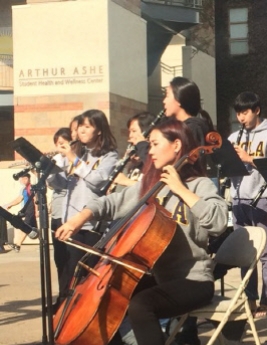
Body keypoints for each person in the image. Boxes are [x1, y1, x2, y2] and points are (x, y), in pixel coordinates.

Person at [55, 118, 228, 345]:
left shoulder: (200, 185)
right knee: (110, 298)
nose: (150, 151)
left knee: (142, 305)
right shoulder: (151, 184)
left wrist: (180, 189)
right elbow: (111, 202)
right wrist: (79, 219)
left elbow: (218, 222)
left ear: (176, 145)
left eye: (156, 144)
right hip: (160, 278)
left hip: (194, 280)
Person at [47, 109, 119, 299]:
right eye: (80, 127)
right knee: (68, 273)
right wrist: (50, 170)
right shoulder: (79, 153)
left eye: (87, 127)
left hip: (89, 223)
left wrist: (72, 158)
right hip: (68, 220)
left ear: (99, 130)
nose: (82, 131)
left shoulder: (109, 156)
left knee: (84, 278)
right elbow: (61, 185)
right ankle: (65, 313)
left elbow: (97, 180)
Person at [228, 91, 267, 318]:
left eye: (245, 112)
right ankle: (249, 299)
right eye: (238, 113)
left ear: (257, 110)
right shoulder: (234, 138)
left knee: (265, 253)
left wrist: (249, 158)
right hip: (238, 199)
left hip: (262, 199)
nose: (241, 117)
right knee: (245, 253)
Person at [112, 112, 157, 192]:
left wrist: (126, 181)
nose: (130, 136)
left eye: (134, 131)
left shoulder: (155, 157)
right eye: (130, 132)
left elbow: (151, 187)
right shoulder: (136, 157)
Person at [49, 127, 71, 292]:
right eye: (58, 144)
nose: (60, 148)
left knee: (72, 259)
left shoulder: (76, 161)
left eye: (64, 143)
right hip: (57, 214)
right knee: (60, 258)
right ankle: (62, 295)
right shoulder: (57, 160)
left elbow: (64, 186)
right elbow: (52, 185)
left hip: (71, 216)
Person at [163, 77, 210, 145]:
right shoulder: (174, 126)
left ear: (179, 99)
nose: (164, 101)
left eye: (167, 96)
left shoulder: (192, 129)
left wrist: (142, 144)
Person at [5, 173, 36, 253]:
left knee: (25, 228)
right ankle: (18, 245)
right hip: (27, 211)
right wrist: (9, 204)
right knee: (32, 229)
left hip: (31, 211)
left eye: (22, 179)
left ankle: (17, 245)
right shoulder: (24, 189)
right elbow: (19, 199)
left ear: (26, 179)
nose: (20, 181)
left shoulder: (32, 188)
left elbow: (36, 200)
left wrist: (37, 210)